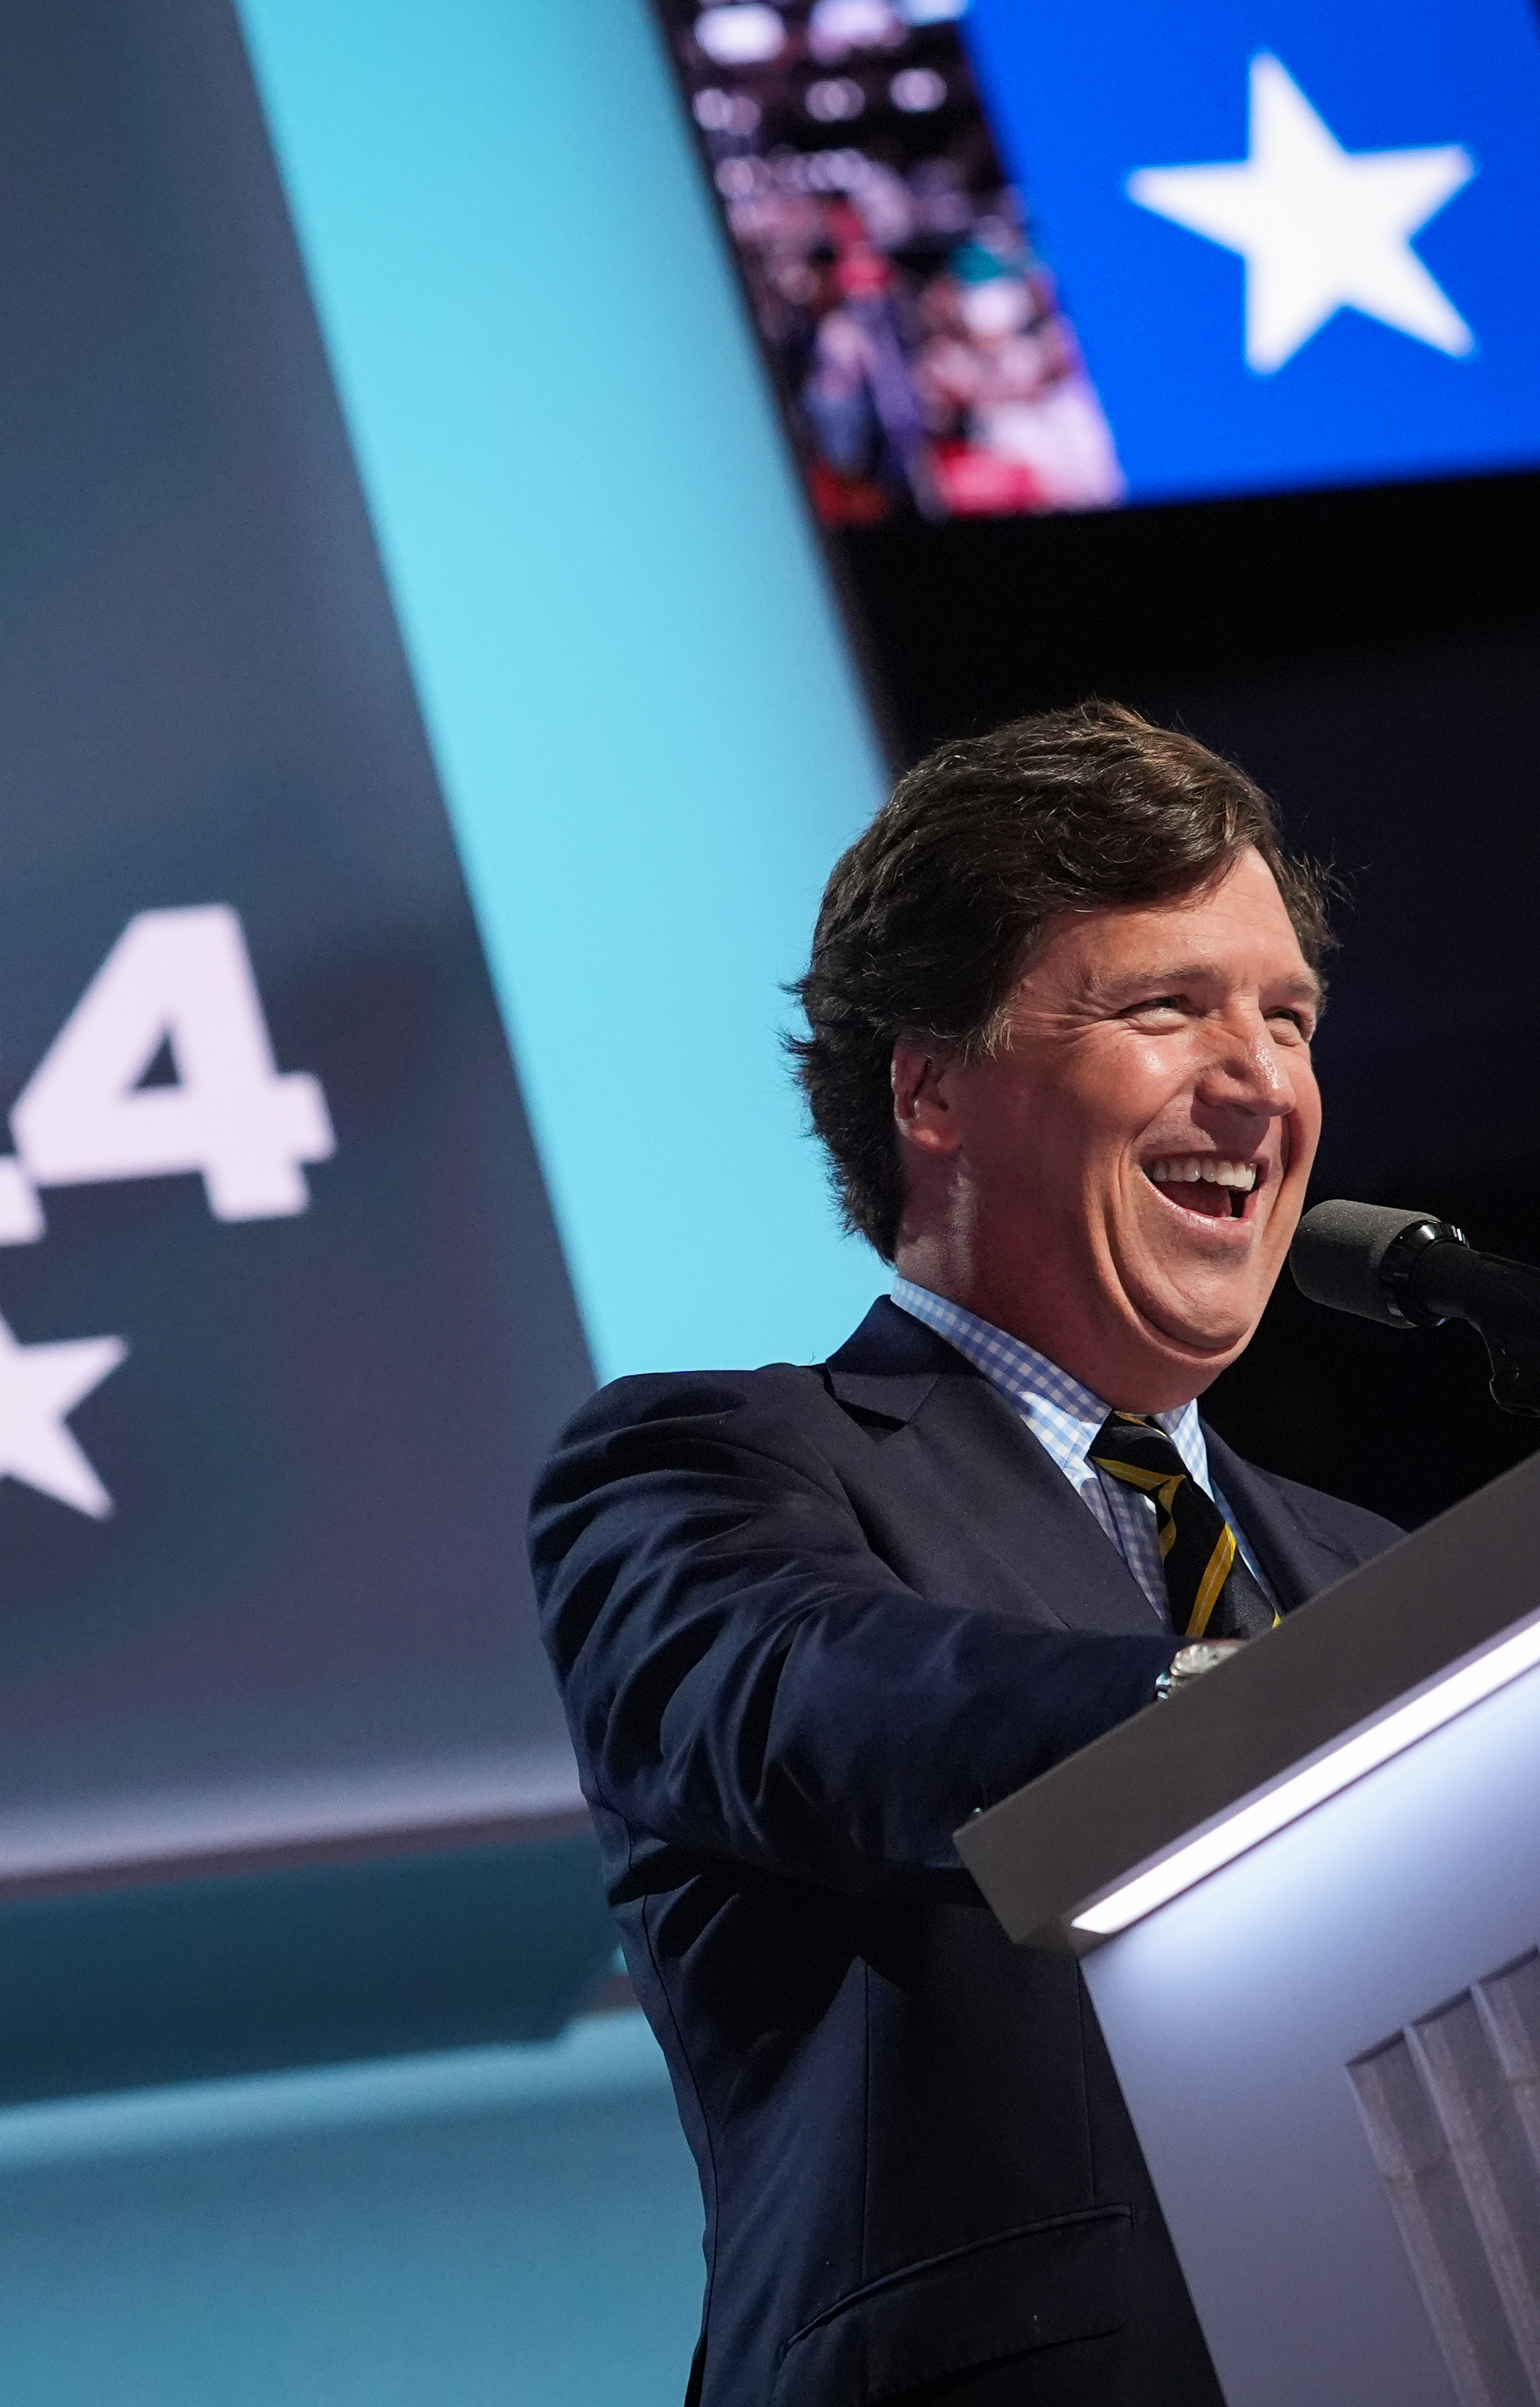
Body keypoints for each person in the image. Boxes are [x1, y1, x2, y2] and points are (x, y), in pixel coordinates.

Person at [530, 704, 1401, 2404]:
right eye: (1167, 1006)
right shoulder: (706, 1469)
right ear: (928, 1086)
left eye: (1285, 1017)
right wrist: (1283, 1711)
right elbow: (840, 1713)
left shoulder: (1374, 1577)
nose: (1259, 1080)